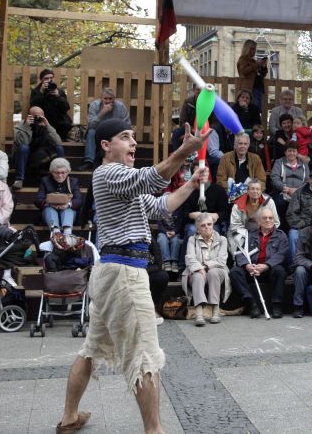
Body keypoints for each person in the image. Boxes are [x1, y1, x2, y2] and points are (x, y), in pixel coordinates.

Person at [57, 117, 210, 434]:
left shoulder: (123, 183)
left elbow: (161, 205)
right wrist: (185, 150)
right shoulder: (109, 173)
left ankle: (69, 417)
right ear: (105, 145)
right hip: (125, 274)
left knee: (91, 350)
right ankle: (155, 431)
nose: (134, 142)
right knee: (145, 356)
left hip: (113, 272)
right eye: (125, 137)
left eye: (133, 136)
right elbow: (153, 177)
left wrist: (191, 184)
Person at [230, 207, 288, 319]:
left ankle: (276, 305)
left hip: (269, 270)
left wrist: (266, 266)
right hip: (252, 270)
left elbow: (281, 255)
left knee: (279, 270)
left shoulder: (281, 236)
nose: (268, 220)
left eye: (270, 218)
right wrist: (247, 266)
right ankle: (251, 304)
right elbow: (240, 252)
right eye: (264, 218)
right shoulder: (249, 235)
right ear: (259, 221)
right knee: (235, 272)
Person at [182, 213, 230, 326]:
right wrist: (199, 269)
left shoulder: (222, 239)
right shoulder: (192, 240)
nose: (207, 227)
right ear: (197, 228)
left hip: (217, 270)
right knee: (197, 276)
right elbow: (190, 258)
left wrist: (205, 266)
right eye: (203, 225)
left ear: (213, 225)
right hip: (197, 270)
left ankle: (215, 310)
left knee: (213, 273)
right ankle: (199, 313)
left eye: (209, 224)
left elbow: (221, 260)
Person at [12, 106, 65, 190]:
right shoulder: (20, 127)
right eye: (35, 116)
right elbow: (23, 143)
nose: (38, 119)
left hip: (43, 158)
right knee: (23, 148)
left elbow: (58, 142)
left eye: (41, 116)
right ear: (29, 116)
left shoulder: (46, 125)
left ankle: (59, 179)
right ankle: (19, 179)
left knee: (59, 148)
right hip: (25, 158)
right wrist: (27, 127)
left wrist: (47, 126)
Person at [80, 88, 131, 170]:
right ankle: (89, 161)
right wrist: (102, 113)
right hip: (98, 132)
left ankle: (121, 162)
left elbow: (127, 124)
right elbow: (91, 125)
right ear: (101, 98)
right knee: (91, 132)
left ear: (114, 99)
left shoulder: (121, 107)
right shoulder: (94, 105)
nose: (108, 101)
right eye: (105, 98)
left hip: (115, 133)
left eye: (110, 99)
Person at [227, 179, 280, 251]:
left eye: (257, 189)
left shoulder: (269, 202)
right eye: (252, 189)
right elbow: (234, 226)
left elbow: (275, 222)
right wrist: (249, 236)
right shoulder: (238, 205)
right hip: (241, 234)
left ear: (261, 191)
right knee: (239, 248)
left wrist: (263, 232)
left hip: (264, 232)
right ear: (247, 191)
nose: (255, 191)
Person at [35, 158, 82, 235]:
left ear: (68, 172)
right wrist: (50, 204)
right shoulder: (45, 181)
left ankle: (67, 232)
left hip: (68, 214)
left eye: (63, 172)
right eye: (57, 173)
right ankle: (56, 233)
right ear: (51, 172)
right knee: (49, 209)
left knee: (68, 210)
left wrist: (68, 205)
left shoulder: (73, 181)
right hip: (50, 213)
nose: (60, 175)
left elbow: (79, 200)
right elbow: (38, 200)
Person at [269, 141, 309, 226]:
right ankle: (282, 226)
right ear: (285, 152)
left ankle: (298, 226)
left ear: (297, 152)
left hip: (300, 192)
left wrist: (297, 190)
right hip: (283, 191)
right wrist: (285, 188)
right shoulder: (279, 162)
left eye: (294, 151)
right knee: (279, 202)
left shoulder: (304, 164)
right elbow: (274, 178)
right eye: (289, 151)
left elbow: (307, 181)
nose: (292, 153)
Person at [30, 69, 72, 141]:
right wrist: (41, 93)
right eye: (46, 78)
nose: (49, 80)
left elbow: (66, 107)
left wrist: (58, 96)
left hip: (58, 119)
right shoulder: (36, 91)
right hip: (43, 117)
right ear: (41, 80)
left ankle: (61, 139)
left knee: (66, 123)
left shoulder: (58, 90)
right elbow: (34, 107)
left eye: (51, 78)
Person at [237, 40, 268, 110]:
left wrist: (263, 67)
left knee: (256, 109)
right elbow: (244, 71)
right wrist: (257, 64)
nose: (254, 51)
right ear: (247, 49)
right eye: (252, 49)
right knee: (248, 108)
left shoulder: (253, 61)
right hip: (249, 88)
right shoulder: (243, 59)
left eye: (254, 49)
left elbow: (263, 74)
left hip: (257, 88)